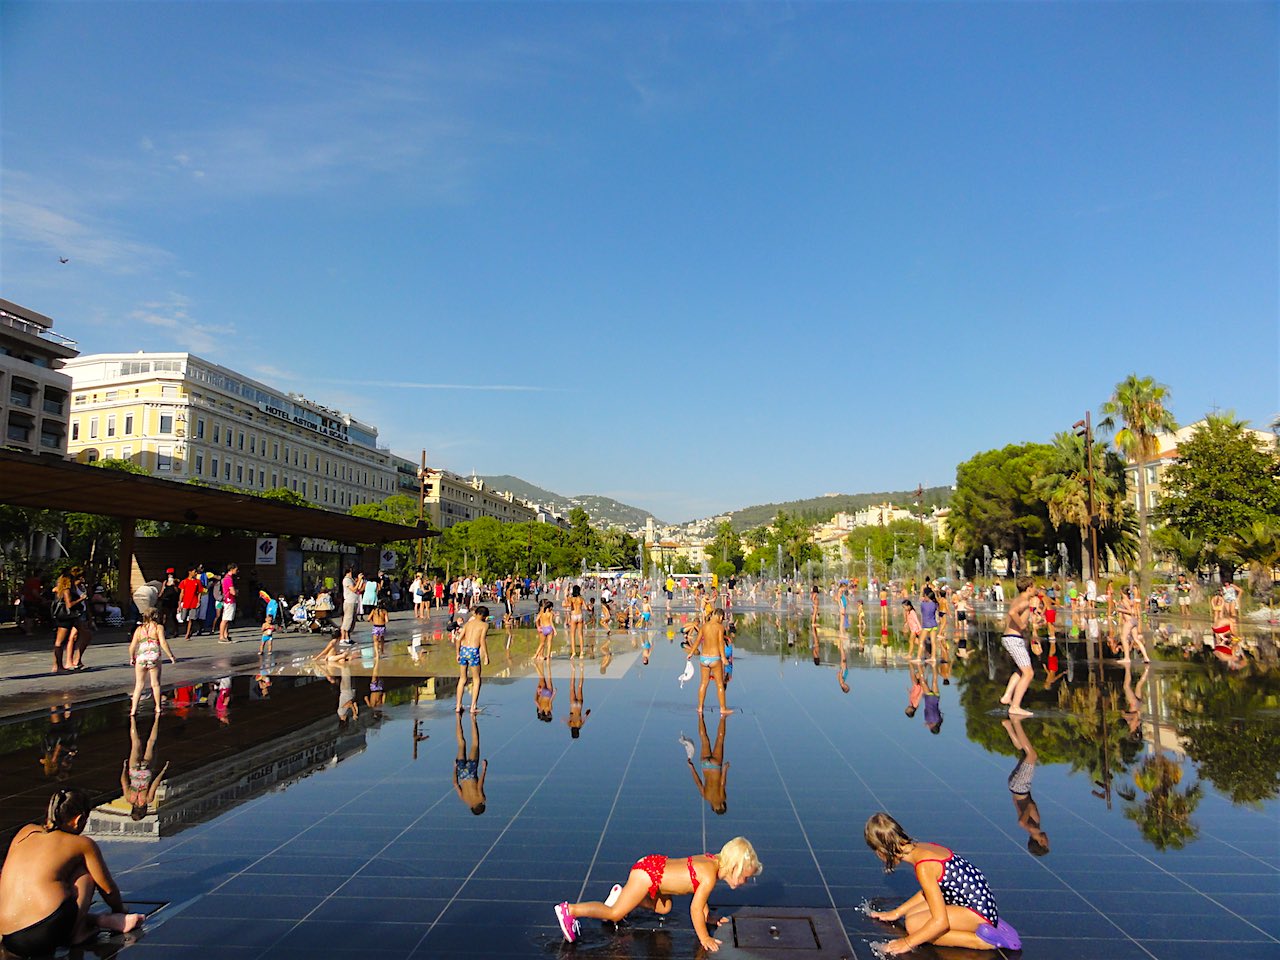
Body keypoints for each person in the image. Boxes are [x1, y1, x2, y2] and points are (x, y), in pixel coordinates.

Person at [0, 788, 145, 957]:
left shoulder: (25, 832)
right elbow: (107, 889)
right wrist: (119, 909)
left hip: (8, 936)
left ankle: (97, 920)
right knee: (85, 873)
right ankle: (78, 933)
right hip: (40, 935)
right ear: (78, 819)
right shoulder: (81, 844)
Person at [554, 836, 762, 949]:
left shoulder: (711, 861)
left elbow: (701, 897)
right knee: (615, 913)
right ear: (734, 867)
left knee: (664, 907)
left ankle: (624, 894)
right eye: (745, 876)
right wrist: (704, 938)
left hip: (654, 865)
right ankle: (570, 910)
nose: (744, 882)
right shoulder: (709, 876)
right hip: (647, 874)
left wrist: (709, 917)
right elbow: (695, 908)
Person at [863, 812, 1020, 954]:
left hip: (978, 912)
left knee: (915, 926)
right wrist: (897, 913)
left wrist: (906, 943)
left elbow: (941, 923)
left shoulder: (924, 866)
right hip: (978, 902)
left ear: (881, 852)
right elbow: (929, 892)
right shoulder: (922, 848)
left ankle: (982, 942)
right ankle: (981, 926)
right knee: (911, 916)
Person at [1002, 718, 1049, 856]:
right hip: (1017, 788)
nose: (1048, 840)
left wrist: (1028, 807)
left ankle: (1016, 722)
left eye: (1047, 843)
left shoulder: (1033, 829)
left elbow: (1021, 823)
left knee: (1032, 755)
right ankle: (1008, 726)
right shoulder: (1034, 828)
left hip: (1020, 787)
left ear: (1041, 842)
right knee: (1025, 753)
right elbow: (1017, 804)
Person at [998, 576, 1038, 718]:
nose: (1036, 589)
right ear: (1029, 588)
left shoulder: (1018, 599)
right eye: (1034, 587)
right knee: (1029, 673)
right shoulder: (1024, 601)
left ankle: (1007, 696)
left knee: (1021, 670)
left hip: (1012, 638)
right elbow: (1012, 612)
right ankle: (1015, 706)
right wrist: (1021, 625)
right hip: (1013, 639)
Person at [128, 611, 177, 716]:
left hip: (141, 658)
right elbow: (163, 643)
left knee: (139, 685)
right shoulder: (158, 628)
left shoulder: (139, 629)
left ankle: (133, 709)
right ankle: (158, 707)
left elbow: (132, 646)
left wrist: (132, 657)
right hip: (154, 657)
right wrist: (171, 656)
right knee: (155, 684)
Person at [686, 608, 733, 714]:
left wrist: (691, 653)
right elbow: (721, 642)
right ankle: (723, 708)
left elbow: (697, 640)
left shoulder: (704, 626)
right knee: (720, 684)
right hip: (715, 658)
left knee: (703, 683)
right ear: (720, 617)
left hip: (703, 658)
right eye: (722, 618)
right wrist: (723, 658)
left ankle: (700, 707)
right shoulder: (720, 627)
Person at [454, 605, 491, 714]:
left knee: (462, 679)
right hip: (473, 651)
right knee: (476, 679)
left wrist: (457, 653)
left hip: (463, 650)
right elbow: (482, 640)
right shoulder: (484, 625)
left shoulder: (468, 624)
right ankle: (473, 706)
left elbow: (459, 639)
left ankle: (458, 705)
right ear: (485, 616)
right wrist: (486, 656)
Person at [453, 711, 487, 814]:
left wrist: (484, 770)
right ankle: (458, 719)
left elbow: (479, 786)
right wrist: (455, 768)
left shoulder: (480, 799)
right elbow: (455, 783)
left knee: (475, 744)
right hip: (461, 773)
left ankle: (473, 719)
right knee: (461, 743)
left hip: (471, 773)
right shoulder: (465, 800)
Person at [177, 567, 203, 639]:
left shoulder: (198, 582)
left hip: (194, 602)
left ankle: (188, 633)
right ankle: (190, 629)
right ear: (190, 572)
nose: (195, 573)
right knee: (183, 618)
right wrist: (179, 603)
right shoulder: (184, 582)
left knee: (191, 618)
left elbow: (199, 592)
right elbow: (182, 593)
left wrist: (198, 601)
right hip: (186, 602)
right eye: (194, 571)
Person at [217, 563, 238, 642]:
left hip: (228, 600)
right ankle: (221, 636)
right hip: (229, 600)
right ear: (232, 569)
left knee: (227, 618)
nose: (237, 571)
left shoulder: (227, 578)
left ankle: (226, 635)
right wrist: (236, 592)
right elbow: (232, 591)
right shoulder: (228, 579)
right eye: (236, 569)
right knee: (225, 619)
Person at [566, 585, 587, 659]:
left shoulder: (571, 599)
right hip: (580, 616)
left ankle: (574, 652)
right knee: (580, 635)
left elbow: (569, 606)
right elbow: (586, 607)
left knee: (572, 635)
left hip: (574, 616)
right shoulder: (581, 599)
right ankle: (581, 652)